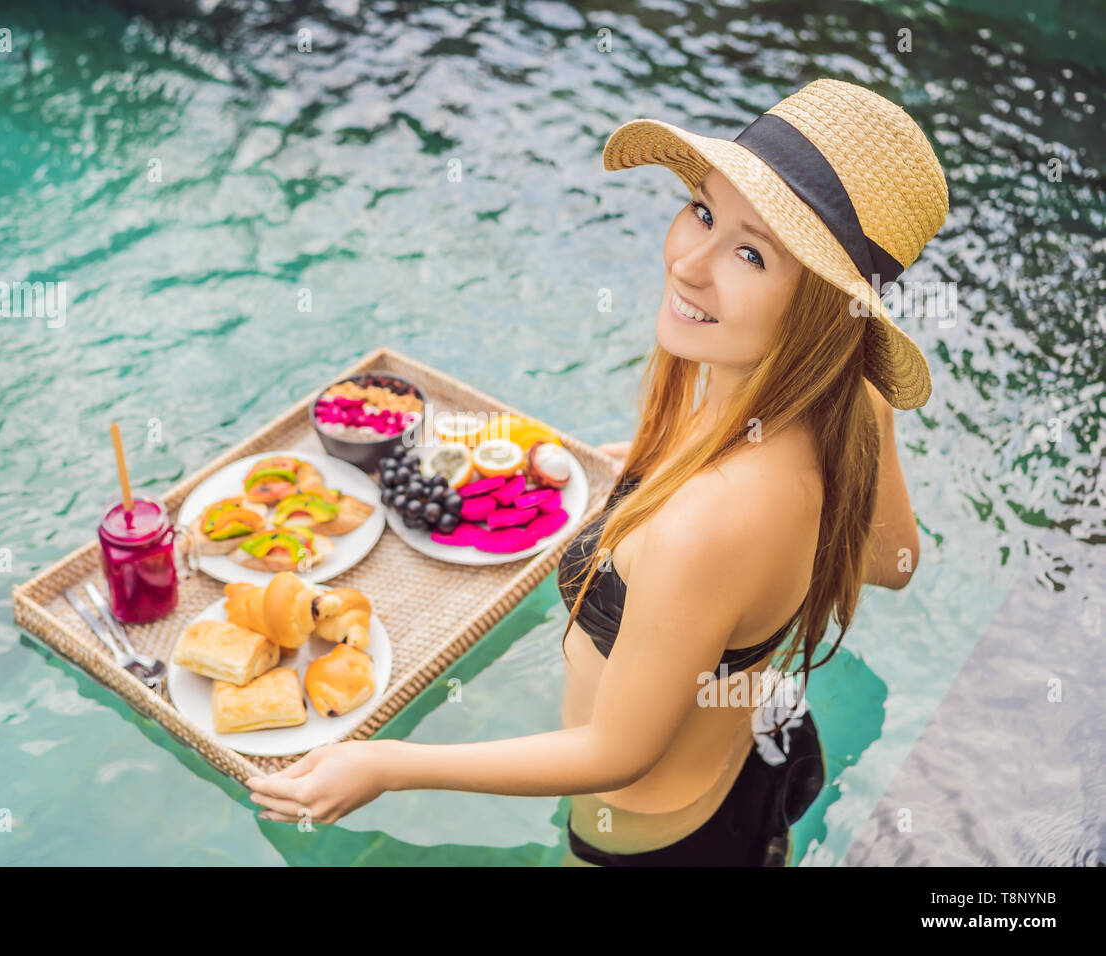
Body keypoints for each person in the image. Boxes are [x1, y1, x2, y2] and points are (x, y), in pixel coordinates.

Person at [246, 77, 948, 866]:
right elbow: (893, 564)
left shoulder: (708, 523)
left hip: (646, 831)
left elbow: (618, 751)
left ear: (821, 309)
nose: (688, 262)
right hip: (756, 745)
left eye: (751, 254)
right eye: (704, 212)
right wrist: (663, 484)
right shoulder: (847, 400)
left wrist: (385, 765)